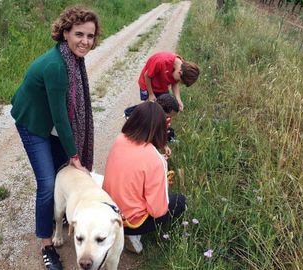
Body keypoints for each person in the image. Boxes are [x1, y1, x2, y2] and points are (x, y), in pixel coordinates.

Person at [10, 6, 100, 270]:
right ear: (65, 33)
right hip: (34, 122)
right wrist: (76, 156)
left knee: (64, 170)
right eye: (79, 34)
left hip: (50, 120)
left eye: (90, 36)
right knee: (48, 183)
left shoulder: (73, 60)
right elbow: (61, 118)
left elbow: (63, 115)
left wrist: (71, 157)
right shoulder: (57, 66)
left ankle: (57, 216)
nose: (85, 41)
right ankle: (47, 245)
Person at [103, 101, 186, 254]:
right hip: (130, 222)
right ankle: (133, 235)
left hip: (108, 210)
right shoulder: (155, 159)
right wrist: (162, 184)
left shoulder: (120, 139)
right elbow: (157, 210)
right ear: (160, 128)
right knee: (179, 201)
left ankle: (126, 232)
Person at [124, 93, 180, 158]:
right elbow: (143, 148)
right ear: (160, 110)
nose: (168, 120)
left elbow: (159, 132)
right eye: (167, 116)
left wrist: (164, 145)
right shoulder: (145, 122)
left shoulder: (156, 116)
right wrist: (157, 158)